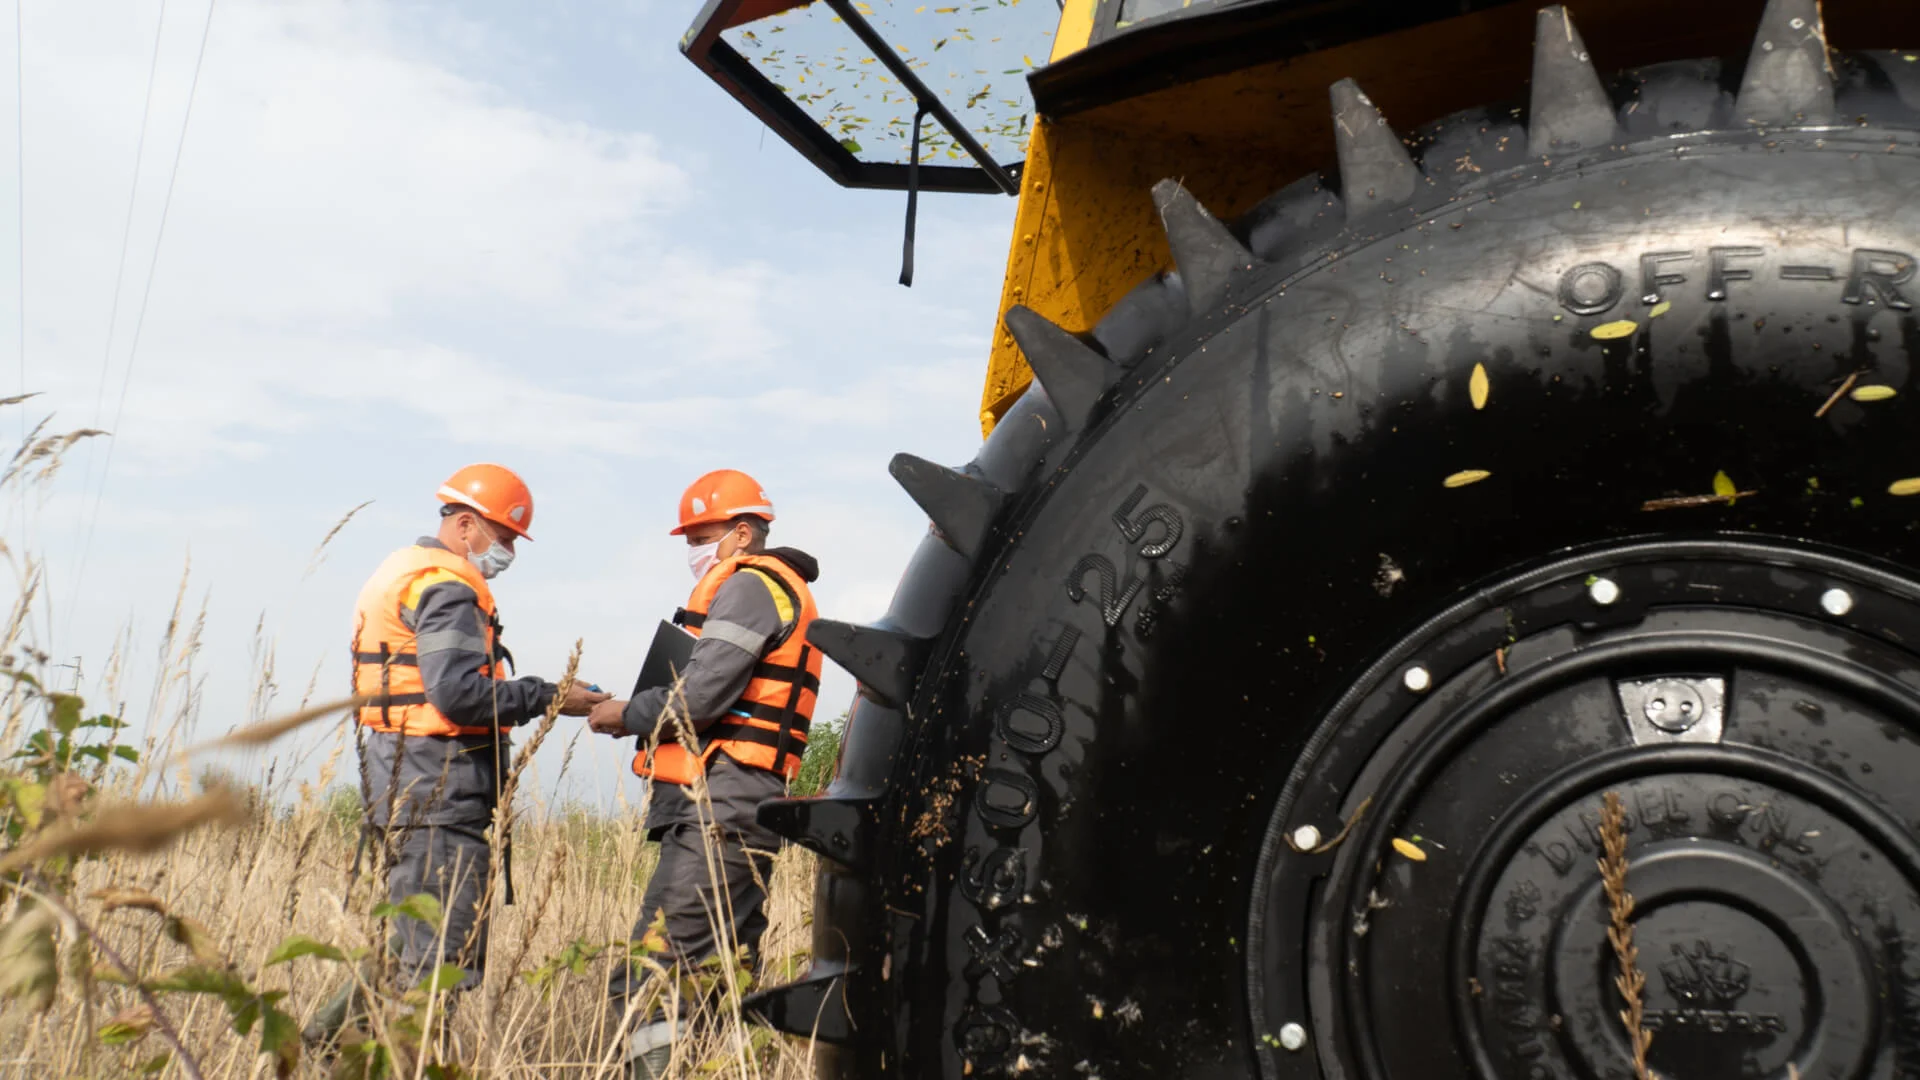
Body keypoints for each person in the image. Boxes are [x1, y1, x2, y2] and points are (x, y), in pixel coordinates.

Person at [305, 463, 608, 1046]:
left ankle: (320, 1047)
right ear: (466, 524)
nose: (510, 551)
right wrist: (549, 696)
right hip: (437, 796)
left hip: (405, 785)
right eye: (506, 536)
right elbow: (458, 694)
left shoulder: (401, 572)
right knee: (433, 965)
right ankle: (384, 1057)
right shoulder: (448, 584)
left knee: (404, 946)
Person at [588, 468, 822, 1079]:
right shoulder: (762, 587)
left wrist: (624, 714)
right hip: (739, 798)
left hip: (722, 800)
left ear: (742, 533)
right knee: (722, 972)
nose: (692, 549)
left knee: (656, 971)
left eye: (701, 534)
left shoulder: (748, 586)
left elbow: (700, 698)